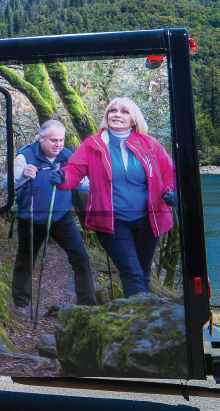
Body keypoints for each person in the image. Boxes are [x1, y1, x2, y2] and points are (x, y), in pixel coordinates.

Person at [48, 97, 179, 298]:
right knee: (132, 272)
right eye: (113, 111)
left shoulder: (150, 144)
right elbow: (74, 170)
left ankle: (138, 321)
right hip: (112, 221)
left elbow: (170, 173)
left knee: (143, 274)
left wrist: (172, 193)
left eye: (124, 112)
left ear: (134, 119)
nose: (117, 114)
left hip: (150, 220)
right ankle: (138, 325)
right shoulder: (93, 144)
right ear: (107, 116)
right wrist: (62, 177)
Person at [11, 120, 97, 308]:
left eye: (61, 140)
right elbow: (7, 182)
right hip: (31, 216)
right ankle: (20, 302)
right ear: (41, 138)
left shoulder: (67, 156)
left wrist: (103, 185)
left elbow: (84, 184)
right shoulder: (25, 155)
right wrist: (22, 174)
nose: (58, 144)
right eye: (53, 140)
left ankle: (87, 305)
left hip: (61, 216)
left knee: (81, 257)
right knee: (25, 260)